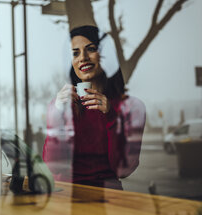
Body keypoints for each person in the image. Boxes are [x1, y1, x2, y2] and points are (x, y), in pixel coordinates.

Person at [43, 25, 145, 190]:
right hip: (66, 197)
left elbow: (123, 169)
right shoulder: (59, 106)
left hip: (107, 198)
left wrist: (111, 116)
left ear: (106, 57)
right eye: (75, 53)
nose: (82, 58)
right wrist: (57, 114)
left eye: (90, 49)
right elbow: (53, 166)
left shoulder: (131, 107)